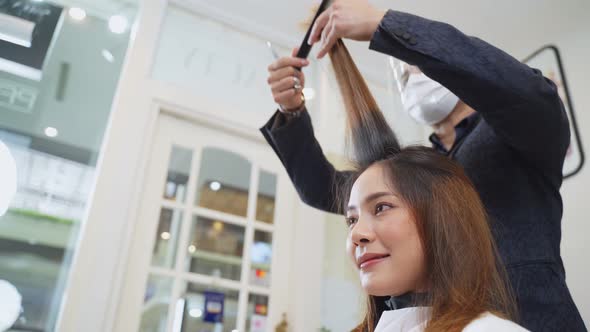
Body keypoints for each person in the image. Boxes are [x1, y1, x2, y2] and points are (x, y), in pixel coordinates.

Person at [260, 1, 587, 331]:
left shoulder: (517, 133)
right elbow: (322, 187)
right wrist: (291, 113)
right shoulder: (409, 172)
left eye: (417, 65)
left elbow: (531, 95)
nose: (409, 77)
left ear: (450, 67)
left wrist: (384, 26)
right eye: (401, 76)